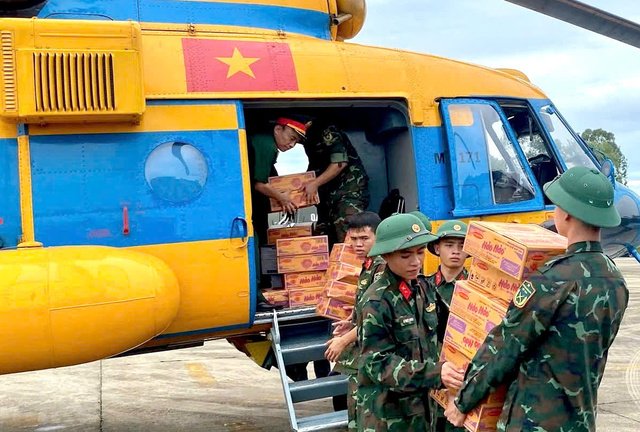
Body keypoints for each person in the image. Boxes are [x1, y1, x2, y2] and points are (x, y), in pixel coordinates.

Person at [445, 167, 629, 431]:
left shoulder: (552, 279)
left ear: (566, 213)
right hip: (581, 420)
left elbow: (505, 347)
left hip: (535, 422)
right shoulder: (615, 279)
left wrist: (462, 401)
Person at [357, 213, 465, 431]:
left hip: (423, 412)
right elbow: (376, 364)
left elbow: (450, 331)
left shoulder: (424, 288)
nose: (416, 262)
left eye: (420, 252)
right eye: (406, 255)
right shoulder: (377, 301)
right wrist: (435, 373)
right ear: (386, 255)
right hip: (390, 417)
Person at [323, 211, 384, 431]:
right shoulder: (368, 265)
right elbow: (367, 306)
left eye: (364, 238)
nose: (358, 244)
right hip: (364, 351)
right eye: (353, 239)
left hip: (375, 355)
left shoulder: (382, 267)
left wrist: (343, 341)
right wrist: (352, 320)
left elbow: (376, 318)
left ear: (378, 236)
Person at [248, 116, 309, 311]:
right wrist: (283, 198)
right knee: (253, 241)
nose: (291, 145)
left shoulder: (264, 141)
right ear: (277, 130)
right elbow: (259, 184)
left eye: (295, 142)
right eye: (291, 138)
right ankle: (256, 296)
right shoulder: (266, 145)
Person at [424, 220, 468, 432]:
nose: (455, 251)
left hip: (463, 376)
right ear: (436, 248)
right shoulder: (423, 288)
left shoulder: (477, 289)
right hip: (430, 373)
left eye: (461, 246)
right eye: (449, 245)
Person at [302, 121, 369, 244]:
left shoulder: (326, 131)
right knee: (325, 236)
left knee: (350, 234)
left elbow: (340, 163)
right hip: (328, 195)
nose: (292, 143)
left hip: (348, 190)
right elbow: (317, 165)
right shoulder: (308, 138)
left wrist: (314, 184)